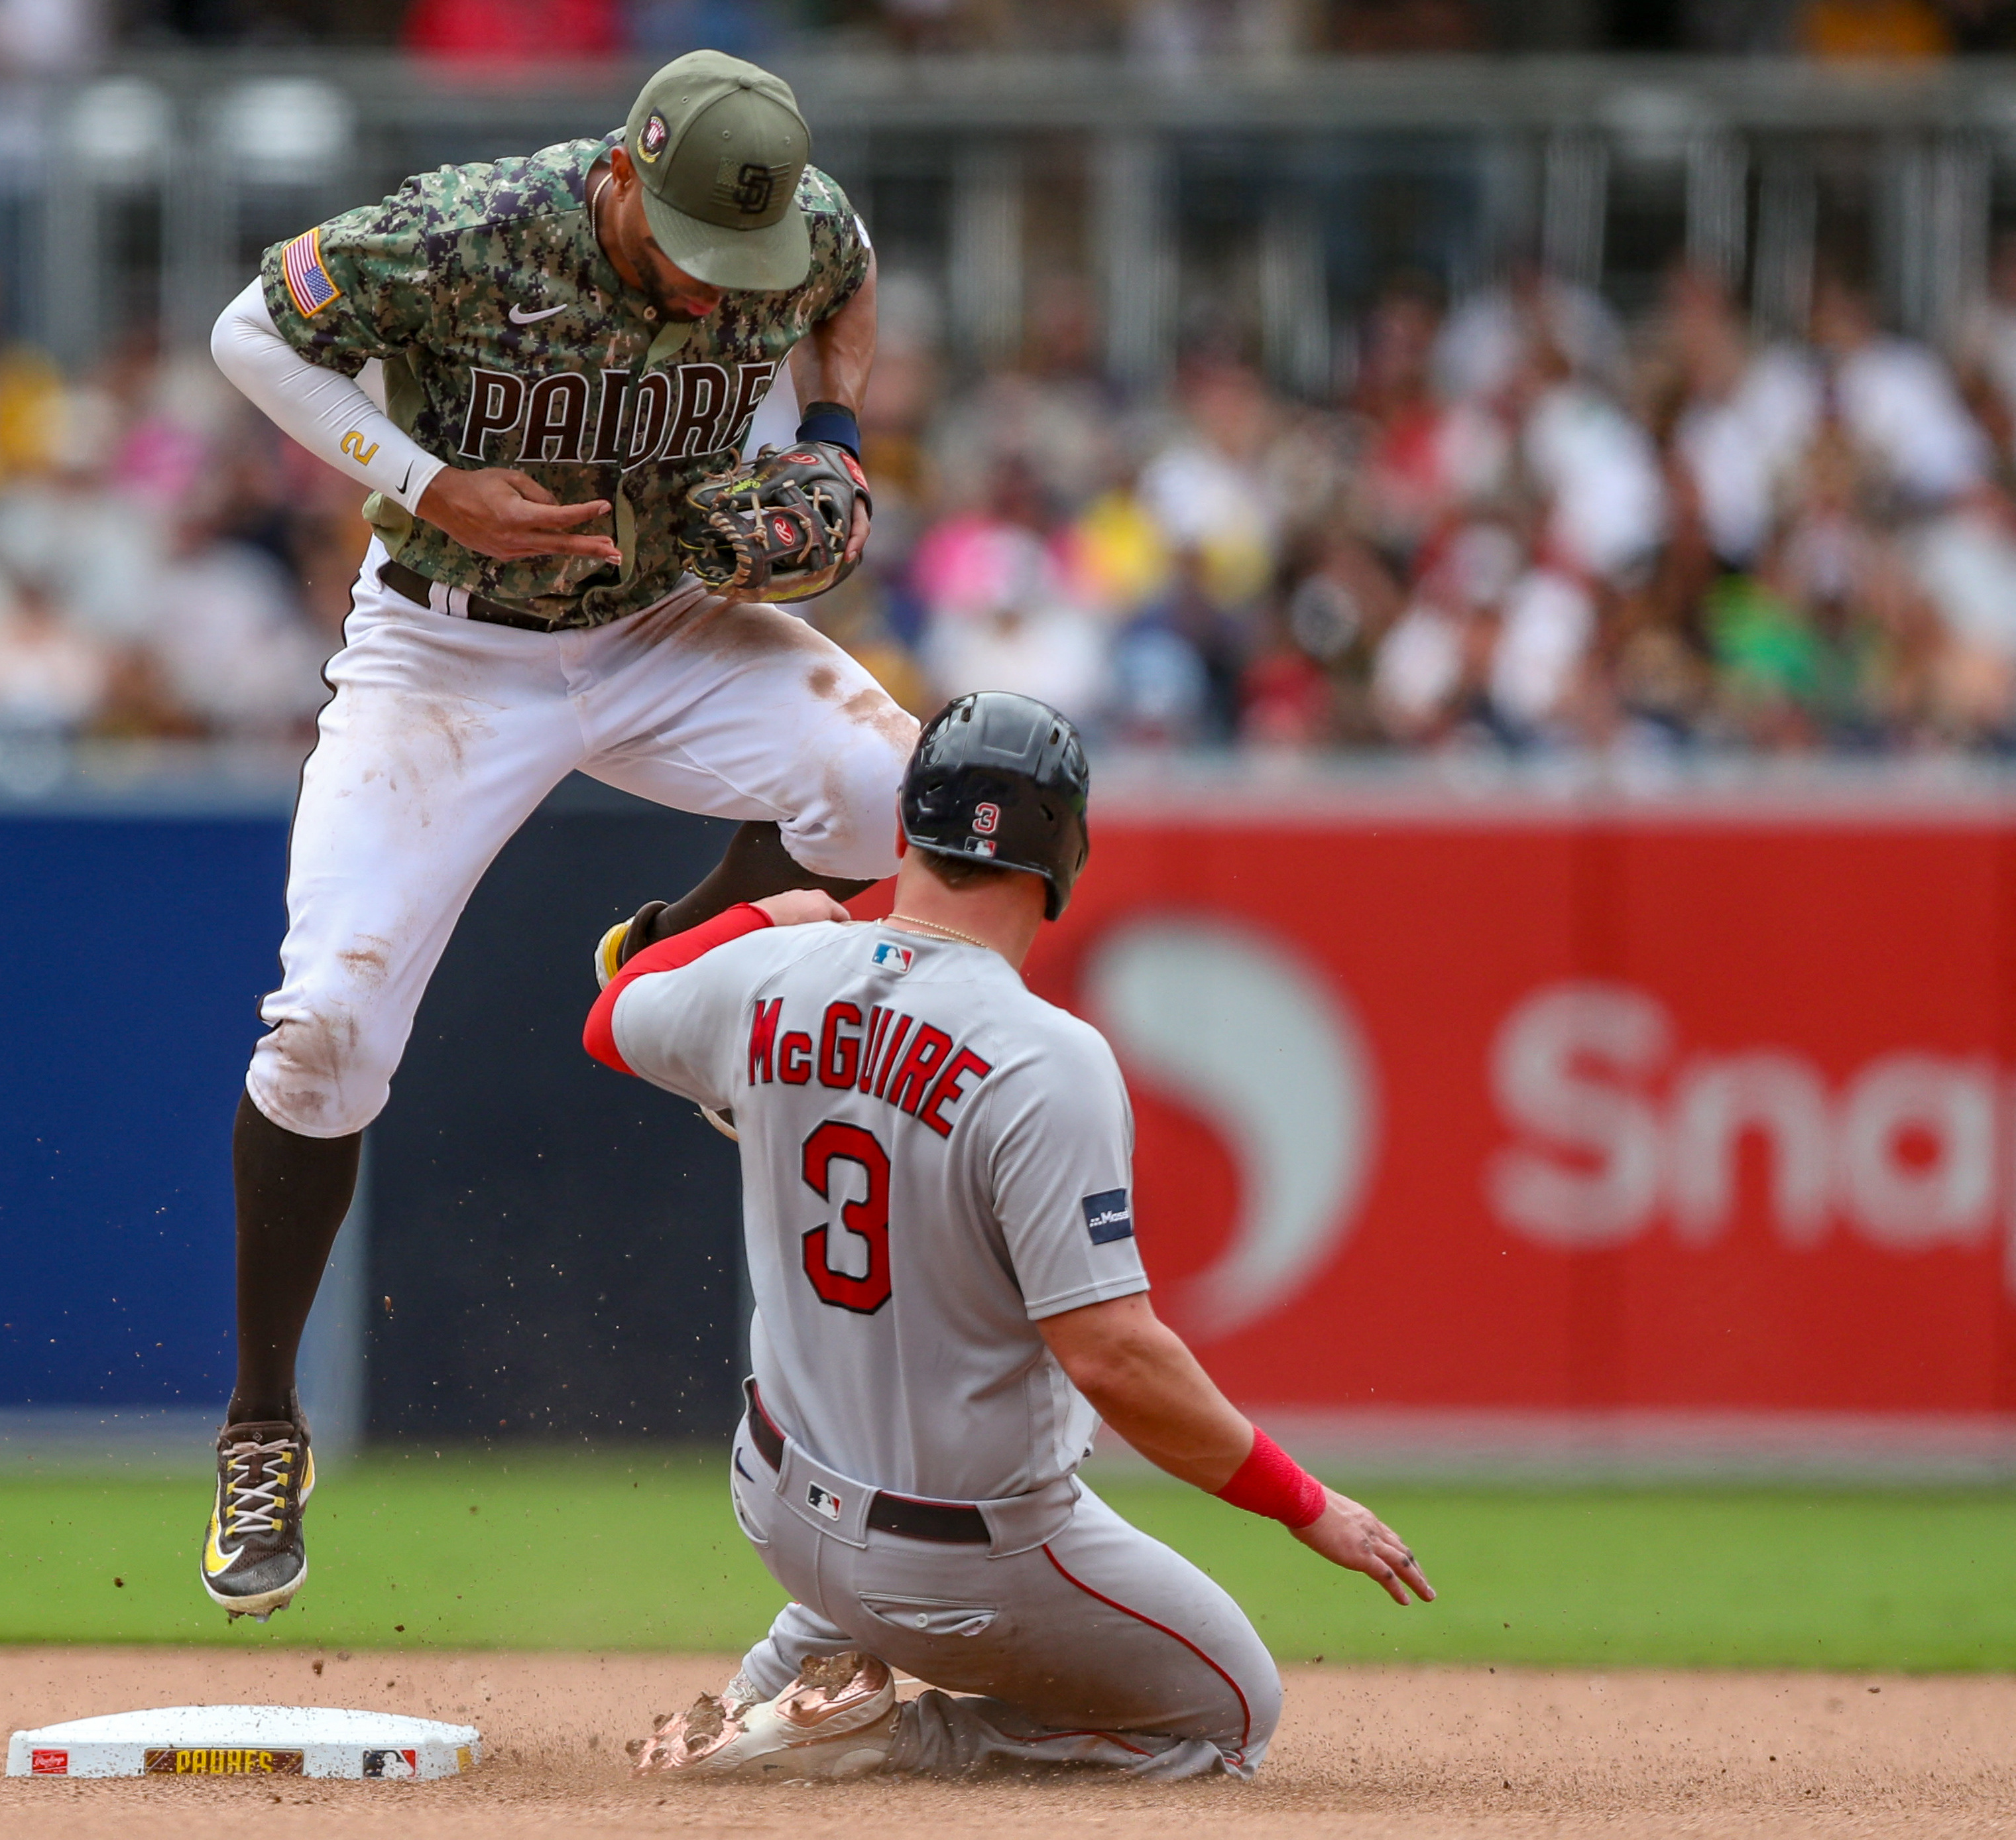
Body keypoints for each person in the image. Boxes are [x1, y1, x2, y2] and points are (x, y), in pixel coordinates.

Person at [197, 48, 916, 1619]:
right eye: (684, 245)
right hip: (449, 648)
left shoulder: (797, 220)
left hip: (665, 621)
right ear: (620, 174)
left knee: (887, 791)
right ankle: (262, 1423)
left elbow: (848, 287)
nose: (715, 280)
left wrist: (838, 444)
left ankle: (671, 951)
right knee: (325, 1023)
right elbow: (249, 333)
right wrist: (427, 478)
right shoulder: (464, 229)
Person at [583, 691, 1433, 1779]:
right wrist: (1302, 1503)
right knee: (1230, 1717)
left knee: (890, 1471)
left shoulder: (770, 976)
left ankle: (798, 1665)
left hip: (775, 1507)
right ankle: (889, 1741)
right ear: (1061, 855)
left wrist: (756, 919)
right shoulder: (1046, 1058)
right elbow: (1114, 1358)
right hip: (952, 1567)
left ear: (905, 831)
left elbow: (610, 1016)